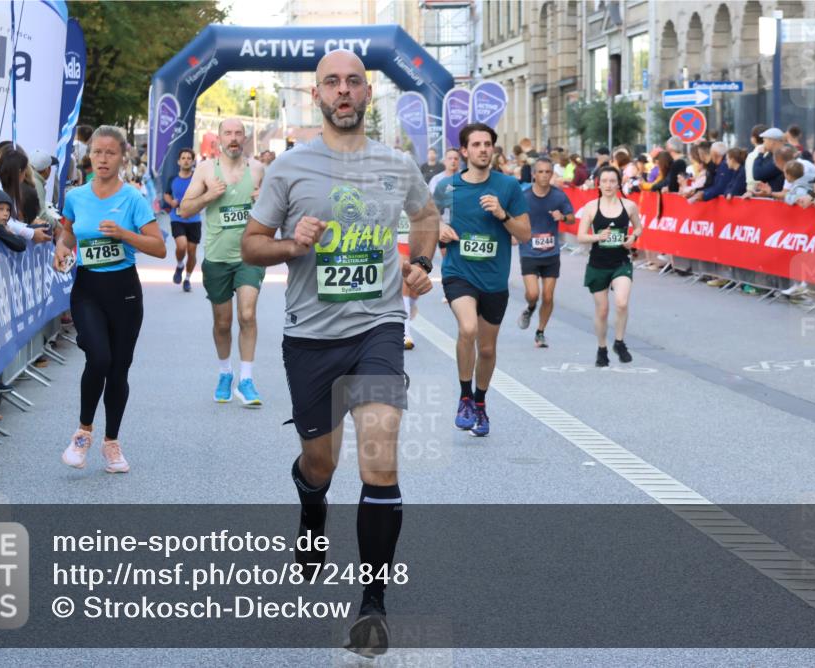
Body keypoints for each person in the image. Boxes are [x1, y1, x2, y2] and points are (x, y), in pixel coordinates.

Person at [240, 49, 438, 658]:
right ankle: (311, 506)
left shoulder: (396, 162)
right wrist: (289, 245)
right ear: (317, 94)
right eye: (333, 82)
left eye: (354, 81)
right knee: (320, 464)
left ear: (368, 93)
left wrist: (421, 264)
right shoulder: (291, 169)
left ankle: (372, 606)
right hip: (310, 337)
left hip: (377, 328)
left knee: (380, 456)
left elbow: (426, 214)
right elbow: (250, 245)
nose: (344, 90)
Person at [56, 125, 166, 474]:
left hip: (125, 291)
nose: (103, 159)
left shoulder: (132, 198)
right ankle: (83, 433)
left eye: (110, 153)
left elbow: (159, 247)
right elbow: (68, 233)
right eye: (97, 152)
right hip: (88, 289)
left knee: (119, 369)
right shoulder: (75, 196)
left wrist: (124, 234)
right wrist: (61, 249)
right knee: (98, 358)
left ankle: (111, 443)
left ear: (122, 157)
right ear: (89, 156)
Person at [439, 122, 530, 436]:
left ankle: (480, 402)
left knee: (487, 349)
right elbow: (423, 223)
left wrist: (503, 215)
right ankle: (464, 397)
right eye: (475, 145)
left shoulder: (508, 187)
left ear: (493, 148)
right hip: (458, 272)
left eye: (487, 144)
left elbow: (525, 233)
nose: (482, 150)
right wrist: (437, 229)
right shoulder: (447, 187)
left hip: (493, 278)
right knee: (468, 328)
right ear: (464, 151)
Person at [179, 119, 266, 406]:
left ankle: (247, 379)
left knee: (248, 314)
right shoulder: (205, 170)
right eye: (227, 133)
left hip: (249, 255)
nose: (233, 138)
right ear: (218, 139)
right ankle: (225, 372)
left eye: (238, 133)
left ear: (245, 138)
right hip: (217, 258)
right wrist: (208, 195)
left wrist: (263, 199)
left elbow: (278, 209)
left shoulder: (257, 170)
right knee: (223, 322)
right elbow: (184, 209)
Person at [575, 166, 643, 367]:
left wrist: (633, 237)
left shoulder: (629, 206)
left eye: (612, 181)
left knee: (621, 303)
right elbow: (580, 236)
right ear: (599, 183)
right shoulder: (591, 207)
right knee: (602, 310)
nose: (608, 185)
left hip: (621, 261)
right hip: (598, 263)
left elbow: (638, 226)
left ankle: (619, 342)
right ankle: (602, 348)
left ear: (618, 183)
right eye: (604, 181)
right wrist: (598, 236)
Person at [516, 157, 573, 347]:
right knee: (533, 294)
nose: (544, 175)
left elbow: (572, 218)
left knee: (548, 296)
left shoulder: (558, 196)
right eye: (540, 171)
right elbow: (513, 218)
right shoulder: (524, 196)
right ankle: (530, 307)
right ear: (533, 174)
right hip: (529, 252)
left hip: (551, 253)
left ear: (552, 174)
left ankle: (540, 332)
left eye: (548, 171)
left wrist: (562, 216)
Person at [163, 148, 201, 292]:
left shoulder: (197, 178)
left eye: (189, 158)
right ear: (178, 161)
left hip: (194, 219)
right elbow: (167, 194)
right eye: (183, 158)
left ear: (192, 161)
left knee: (192, 252)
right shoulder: (172, 178)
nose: (186, 160)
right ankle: (180, 265)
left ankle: (187, 278)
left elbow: (204, 194)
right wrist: (171, 202)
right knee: (181, 246)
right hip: (177, 218)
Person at [751, 127, 787, 193]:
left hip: (778, 198)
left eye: (764, 141)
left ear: (772, 142)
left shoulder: (783, 156)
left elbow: (757, 174)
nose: (763, 144)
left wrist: (760, 155)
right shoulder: (770, 154)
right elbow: (760, 173)